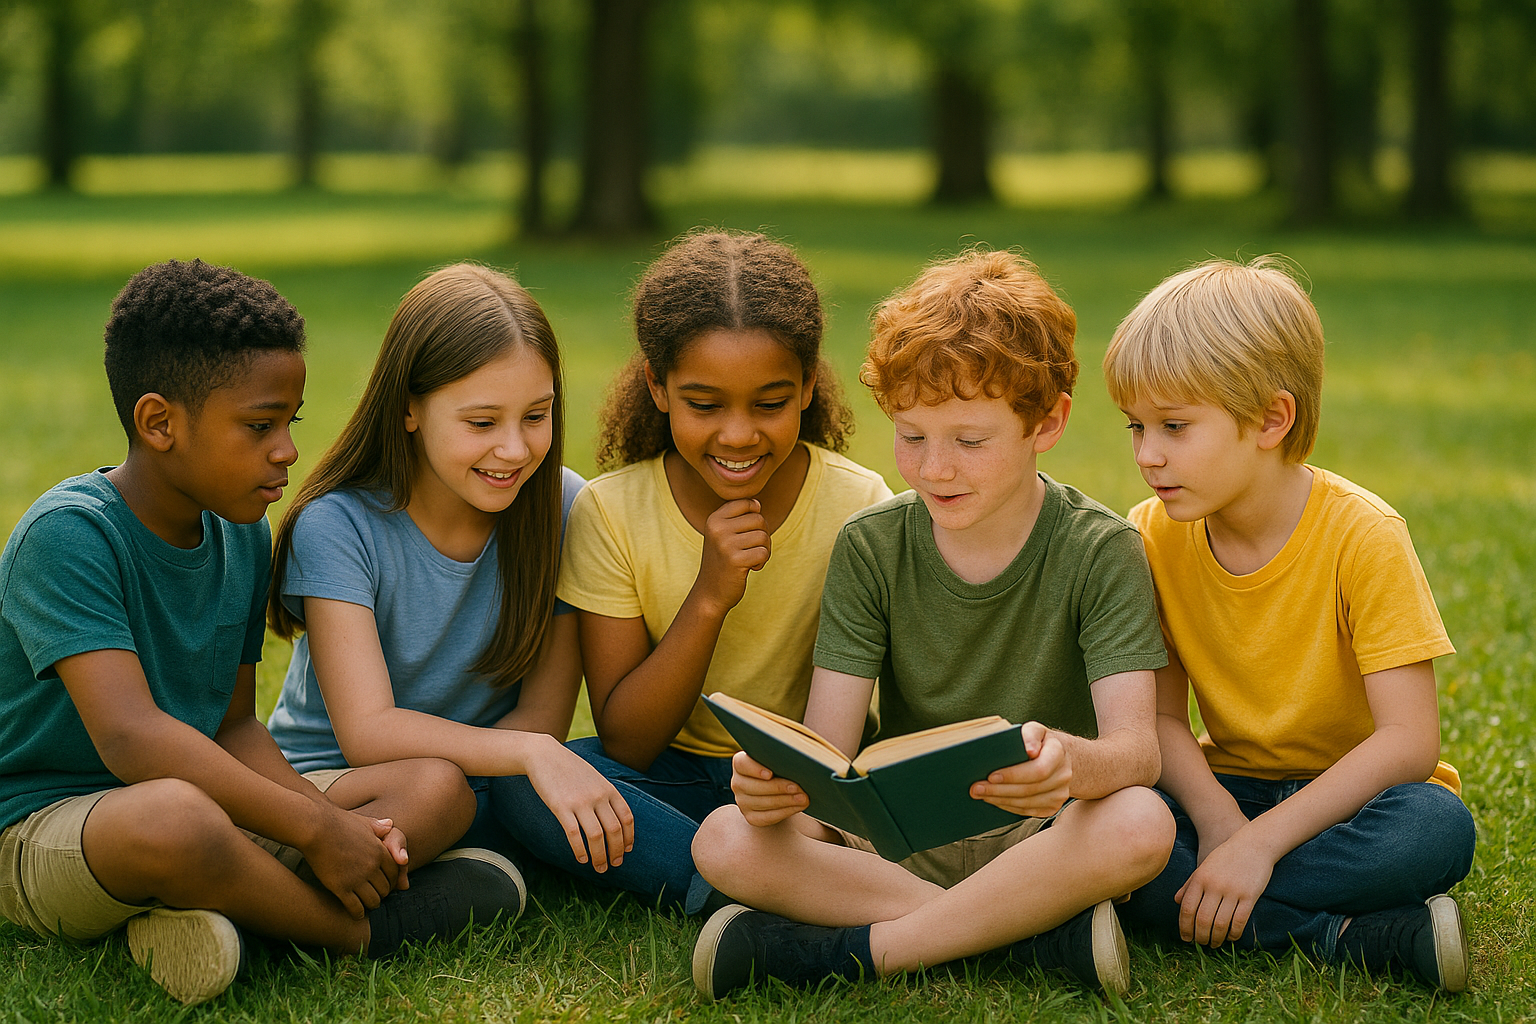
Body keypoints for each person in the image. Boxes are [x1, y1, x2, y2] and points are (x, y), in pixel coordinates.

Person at [0, 260, 523, 1007]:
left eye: (290, 423)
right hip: (47, 822)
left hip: (204, 805)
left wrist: (325, 828)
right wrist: (315, 831)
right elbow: (133, 738)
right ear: (159, 424)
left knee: (435, 786)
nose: (286, 450)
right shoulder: (69, 535)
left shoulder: (240, 534)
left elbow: (235, 723)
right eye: (259, 426)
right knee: (175, 820)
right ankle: (356, 934)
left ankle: (226, 916)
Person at [689, 249, 1176, 999]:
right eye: (911, 436)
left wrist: (1068, 763)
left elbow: (1137, 753)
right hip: (897, 837)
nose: (935, 468)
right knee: (723, 838)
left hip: (1040, 834)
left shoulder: (1101, 549)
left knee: (1142, 822)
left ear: (1047, 422)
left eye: (969, 441)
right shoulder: (872, 544)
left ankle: (863, 951)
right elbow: (831, 749)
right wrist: (779, 783)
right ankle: (1025, 938)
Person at [1102, 257, 1476, 990]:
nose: (1148, 455)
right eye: (1137, 427)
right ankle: (1347, 938)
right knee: (1101, 824)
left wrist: (1260, 847)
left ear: (1272, 419)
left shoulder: (1364, 534)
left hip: (1359, 803)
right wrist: (1218, 826)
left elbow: (1409, 740)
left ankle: (1204, 903)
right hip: (1226, 787)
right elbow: (1160, 721)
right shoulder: (1147, 535)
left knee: (1437, 831)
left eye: (1174, 426)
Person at [495, 230, 892, 915]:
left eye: (769, 403)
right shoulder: (611, 511)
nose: (738, 435)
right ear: (658, 386)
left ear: (805, 388)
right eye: (705, 405)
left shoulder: (859, 506)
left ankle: (763, 884)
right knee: (524, 783)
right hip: (674, 778)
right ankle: (765, 892)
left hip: (813, 791)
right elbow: (629, 740)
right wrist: (709, 597)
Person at [266, 264, 635, 879]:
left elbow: (541, 722)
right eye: (482, 423)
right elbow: (368, 733)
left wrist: (534, 752)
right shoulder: (337, 524)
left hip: (483, 779)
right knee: (438, 793)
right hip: (336, 788)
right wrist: (531, 752)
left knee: (560, 793)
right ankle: (278, 898)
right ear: (409, 410)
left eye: (536, 416)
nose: (515, 450)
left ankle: (446, 873)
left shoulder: (567, 509)